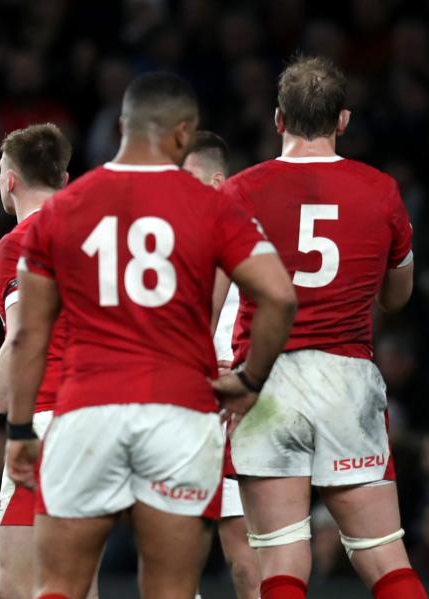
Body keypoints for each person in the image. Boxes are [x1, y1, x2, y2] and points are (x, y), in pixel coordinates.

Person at [3, 72, 298, 599]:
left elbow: (27, 336)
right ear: (184, 135)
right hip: (179, 416)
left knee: (59, 587)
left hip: (85, 412)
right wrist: (251, 380)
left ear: (121, 126)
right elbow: (278, 295)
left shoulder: (62, 211)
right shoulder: (213, 204)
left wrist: (21, 428)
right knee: (170, 589)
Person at [223, 56, 426, 599]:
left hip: (265, 383)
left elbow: (205, 301)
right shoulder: (381, 190)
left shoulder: (240, 191)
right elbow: (398, 296)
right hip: (347, 377)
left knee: (284, 555)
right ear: (343, 120)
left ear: (278, 119)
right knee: (384, 554)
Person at [0, 123, 96, 599]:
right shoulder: (96, 235)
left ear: (9, 180)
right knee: (79, 581)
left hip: (49, 421)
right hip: (99, 417)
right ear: (65, 175)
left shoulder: (19, 243)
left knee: (18, 586)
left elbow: (20, 340)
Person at [183, 131, 260, 599]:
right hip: (185, 400)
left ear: (216, 181)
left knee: (244, 554)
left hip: (236, 404)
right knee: (174, 548)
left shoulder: (250, 233)